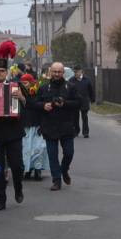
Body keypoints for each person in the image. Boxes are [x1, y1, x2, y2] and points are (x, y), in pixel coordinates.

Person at [0, 43, 28, 212]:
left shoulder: (17, 86)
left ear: (6, 72)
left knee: (17, 166)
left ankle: (18, 188)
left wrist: (22, 98)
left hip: (14, 133)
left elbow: (29, 105)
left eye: (1, 71)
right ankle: (0, 199)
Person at [35, 62, 81, 190]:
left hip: (66, 126)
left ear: (63, 73)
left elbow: (78, 103)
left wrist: (64, 103)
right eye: (54, 71)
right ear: (50, 72)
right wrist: (43, 106)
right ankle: (56, 180)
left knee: (69, 153)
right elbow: (35, 104)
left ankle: (64, 169)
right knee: (52, 155)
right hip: (49, 126)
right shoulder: (44, 88)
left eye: (59, 72)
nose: (56, 74)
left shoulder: (70, 87)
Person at [20, 72, 48, 182]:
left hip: (37, 124)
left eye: (26, 83)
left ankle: (38, 169)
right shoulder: (18, 93)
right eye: (22, 83)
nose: (24, 85)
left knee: (38, 148)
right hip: (25, 125)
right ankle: (28, 169)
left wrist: (43, 125)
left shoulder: (38, 92)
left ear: (31, 83)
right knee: (26, 149)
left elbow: (38, 106)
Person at [70, 67, 95, 138]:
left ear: (81, 72)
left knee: (84, 117)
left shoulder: (87, 80)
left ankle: (85, 132)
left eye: (77, 72)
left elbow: (91, 90)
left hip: (84, 101)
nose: (76, 73)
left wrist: (92, 99)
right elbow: (69, 90)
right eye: (75, 72)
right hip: (75, 102)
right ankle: (76, 131)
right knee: (75, 117)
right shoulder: (71, 80)